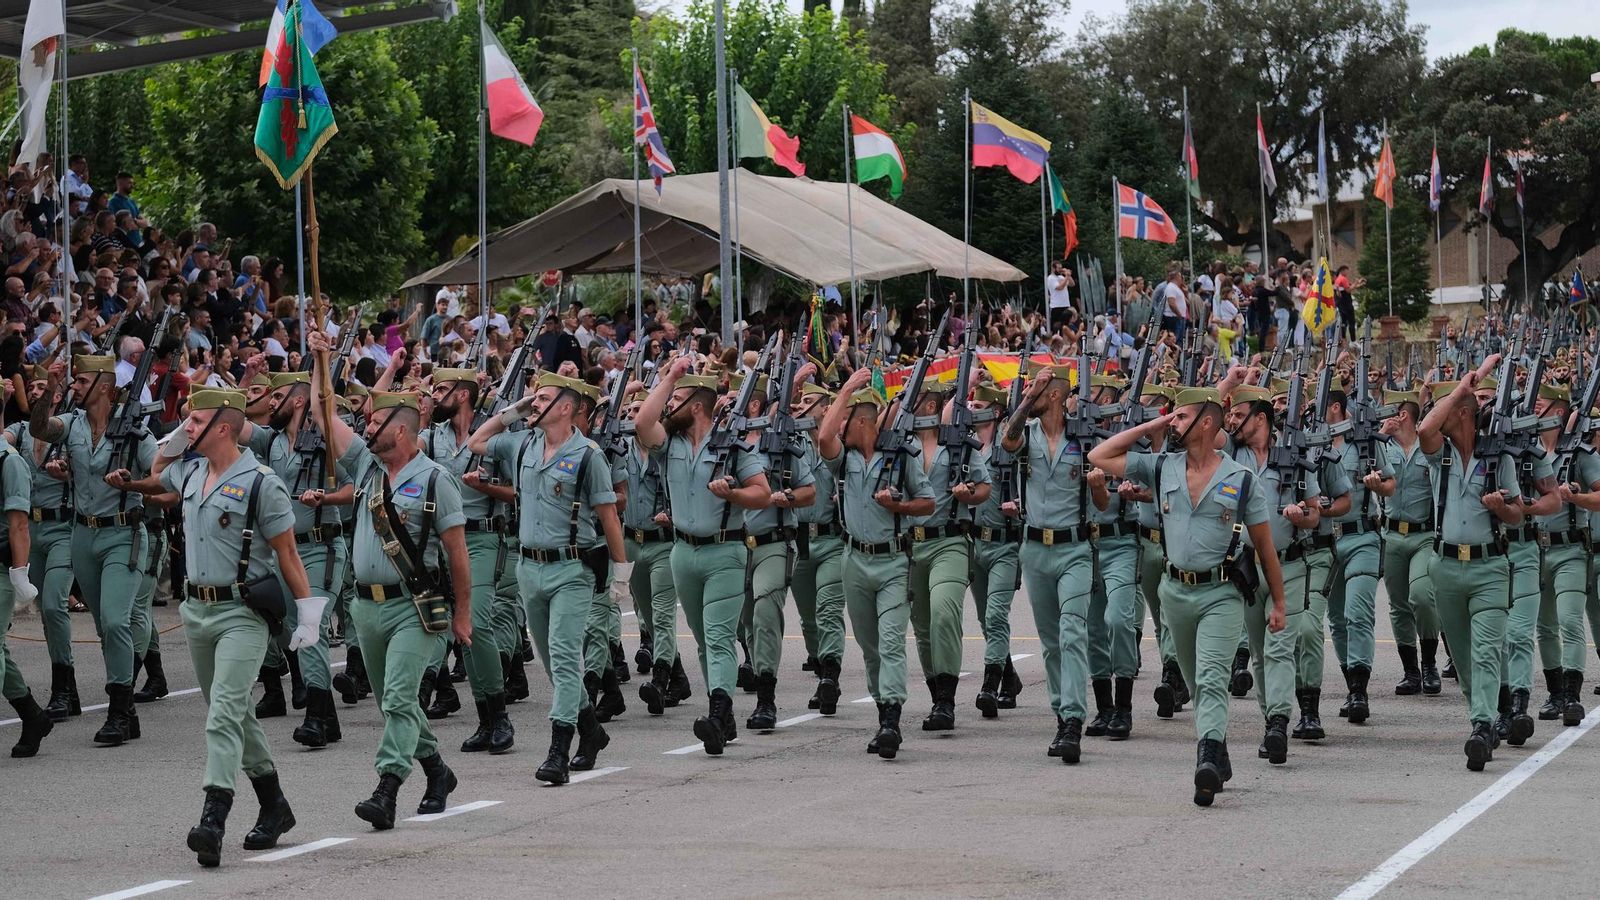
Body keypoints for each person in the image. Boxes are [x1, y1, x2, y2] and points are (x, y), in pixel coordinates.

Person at [113, 388, 318, 867]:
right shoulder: (190, 471)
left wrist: (308, 613)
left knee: (223, 714)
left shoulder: (262, 481)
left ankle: (213, 817)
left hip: (241, 613)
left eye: (197, 420)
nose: (186, 427)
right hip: (196, 613)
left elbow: (287, 553)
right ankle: (274, 805)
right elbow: (159, 468)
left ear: (224, 428)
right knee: (233, 715)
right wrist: (184, 426)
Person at [306, 330, 474, 829]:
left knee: (401, 699)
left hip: (414, 607)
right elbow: (322, 413)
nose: (367, 426)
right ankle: (438, 770)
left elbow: (458, 554)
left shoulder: (435, 479)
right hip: (366, 608)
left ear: (399, 431)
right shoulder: (366, 468)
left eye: (375, 422)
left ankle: (387, 786)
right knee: (390, 703)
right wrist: (321, 358)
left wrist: (462, 613)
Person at [1089, 387, 1286, 806]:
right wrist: (1152, 424)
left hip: (1221, 593)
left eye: (1180, 417)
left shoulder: (1241, 479)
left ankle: (1207, 760)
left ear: (1208, 422)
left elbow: (1265, 546)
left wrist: (1280, 604)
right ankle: (1217, 744)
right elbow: (1099, 457)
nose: (1173, 423)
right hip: (1174, 593)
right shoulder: (1162, 467)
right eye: (1173, 418)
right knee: (1197, 683)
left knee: (1213, 678)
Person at [470, 371, 629, 783]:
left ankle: (558, 751)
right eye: (533, 398)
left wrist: (621, 573)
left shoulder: (589, 454)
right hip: (529, 568)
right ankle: (591, 731)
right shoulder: (524, 443)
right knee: (552, 663)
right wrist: (511, 412)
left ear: (566, 407)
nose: (534, 403)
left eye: (542, 398)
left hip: (572, 569)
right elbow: (477, 442)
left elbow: (609, 515)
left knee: (562, 656)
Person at [632, 356, 771, 754]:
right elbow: (643, 422)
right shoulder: (670, 444)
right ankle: (722, 714)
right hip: (682, 552)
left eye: (677, 398)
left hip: (725, 551)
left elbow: (761, 492)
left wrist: (734, 494)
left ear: (696, 405)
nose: (669, 405)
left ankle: (717, 710)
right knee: (701, 638)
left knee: (719, 635)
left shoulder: (732, 447)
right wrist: (671, 376)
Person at [32, 354, 159, 746]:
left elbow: (163, 483)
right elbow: (39, 426)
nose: (75, 387)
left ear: (104, 386)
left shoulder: (136, 432)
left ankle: (119, 711)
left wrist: (131, 487)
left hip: (124, 533)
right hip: (82, 535)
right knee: (106, 628)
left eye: (82, 382)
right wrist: (50, 387)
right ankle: (126, 711)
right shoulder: (71, 425)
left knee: (117, 620)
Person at [815, 366, 934, 758]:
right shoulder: (843, 459)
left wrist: (898, 504)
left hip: (893, 561)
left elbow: (928, 503)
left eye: (847, 415)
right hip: (855, 560)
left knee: (890, 642)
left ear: (863, 421)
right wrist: (847, 388)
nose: (840, 423)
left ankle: (891, 719)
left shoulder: (902, 456)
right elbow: (823, 436)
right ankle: (883, 706)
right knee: (869, 647)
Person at [234, 372, 355, 747]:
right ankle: (328, 717)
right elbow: (230, 423)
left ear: (300, 401)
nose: (270, 401)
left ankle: (316, 717)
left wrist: (326, 499)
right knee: (289, 628)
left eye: (278, 396)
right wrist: (246, 380)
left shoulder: (326, 442)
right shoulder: (270, 442)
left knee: (311, 626)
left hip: (321, 547)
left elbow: (357, 487)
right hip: (282, 553)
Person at [1416, 360, 1523, 770]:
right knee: (1462, 658)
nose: (1440, 413)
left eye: (1450, 404)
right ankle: (1489, 707)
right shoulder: (1438, 456)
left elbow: (1516, 515)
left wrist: (1502, 507)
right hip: (1444, 568)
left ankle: (1481, 726)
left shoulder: (1499, 459)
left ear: (1462, 413)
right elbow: (1426, 429)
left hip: (1489, 569)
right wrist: (1464, 382)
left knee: (1484, 652)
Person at [419, 367, 517, 754]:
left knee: (476, 624)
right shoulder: (430, 438)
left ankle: (500, 716)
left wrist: (486, 486)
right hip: (443, 542)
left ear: (463, 394)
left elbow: (518, 491)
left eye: (441, 389)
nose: (433, 395)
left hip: (482, 538)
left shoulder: (496, 437)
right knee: (461, 634)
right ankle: (486, 718)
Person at [904, 380, 988, 732]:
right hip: (911, 545)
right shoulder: (902, 446)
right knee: (922, 626)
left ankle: (946, 701)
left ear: (929, 406)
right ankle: (935, 689)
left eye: (917, 400)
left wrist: (968, 493)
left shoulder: (957, 448)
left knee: (943, 613)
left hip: (950, 541)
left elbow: (984, 488)